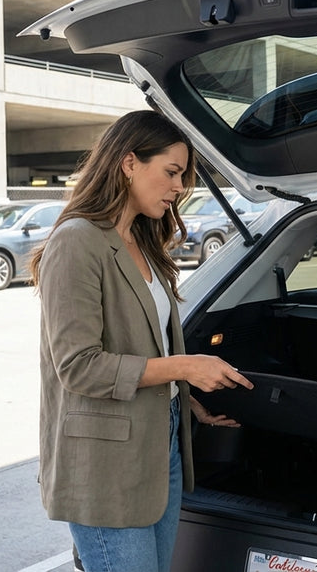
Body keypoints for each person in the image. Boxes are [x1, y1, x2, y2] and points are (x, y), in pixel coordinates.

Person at [31, 110, 253, 572]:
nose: (179, 188)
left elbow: (148, 346)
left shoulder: (142, 241)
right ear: (129, 162)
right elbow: (78, 366)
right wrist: (185, 368)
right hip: (105, 468)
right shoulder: (76, 242)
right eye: (171, 172)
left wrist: (186, 399)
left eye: (183, 176)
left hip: (161, 445)